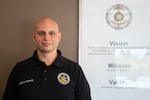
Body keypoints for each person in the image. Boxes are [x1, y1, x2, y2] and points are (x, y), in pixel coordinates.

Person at [2, 17, 91, 100]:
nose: (47, 38)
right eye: (41, 33)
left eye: (52, 33)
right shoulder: (20, 69)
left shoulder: (74, 70)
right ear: (34, 37)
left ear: (59, 37)